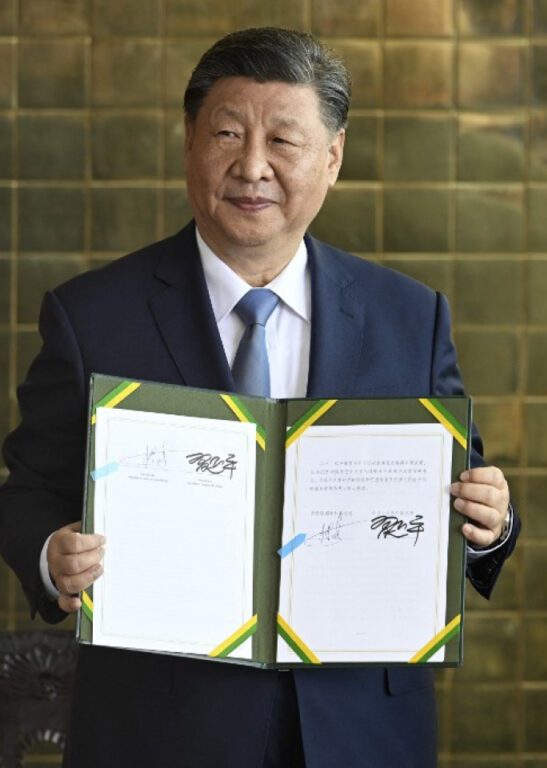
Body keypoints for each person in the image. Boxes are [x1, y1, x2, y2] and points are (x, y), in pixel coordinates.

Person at [0, 27, 520, 768]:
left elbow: (458, 492)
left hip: (358, 730)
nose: (252, 167)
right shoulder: (92, 317)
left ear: (332, 158)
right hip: (158, 728)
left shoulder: (409, 316)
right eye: (227, 134)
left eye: (283, 140)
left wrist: (492, 523)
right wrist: (55, 557)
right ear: (189, 144)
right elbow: (26, 494)